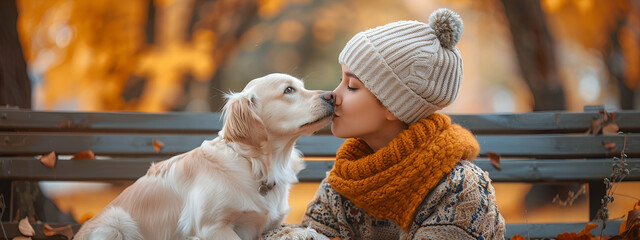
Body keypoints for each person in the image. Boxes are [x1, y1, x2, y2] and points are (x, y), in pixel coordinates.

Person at [263, 8, 505, 240]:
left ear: (394, 106)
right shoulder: (345, 181)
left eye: (352, 86)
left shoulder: (459, 188)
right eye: (340, 80)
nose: (332, 95)